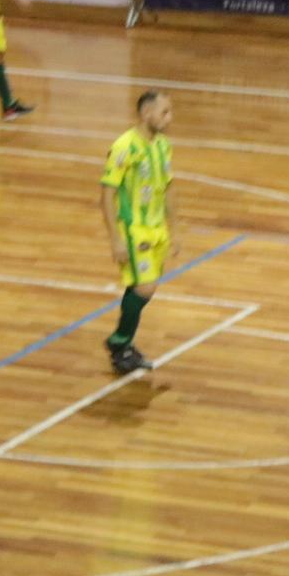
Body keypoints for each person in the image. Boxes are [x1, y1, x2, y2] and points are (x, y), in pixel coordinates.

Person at [99, 90, 177, 375]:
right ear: (146, 113)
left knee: (143, 287)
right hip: (135, 230)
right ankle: (119, 343)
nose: (169, 118)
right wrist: (115, 239)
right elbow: (106, 195)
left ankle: (124, 345)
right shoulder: (124, 147)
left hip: (157, 229)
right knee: (144, 287)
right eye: (164, 112)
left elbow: (168, 187)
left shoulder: (163, 146)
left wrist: (175, 230)